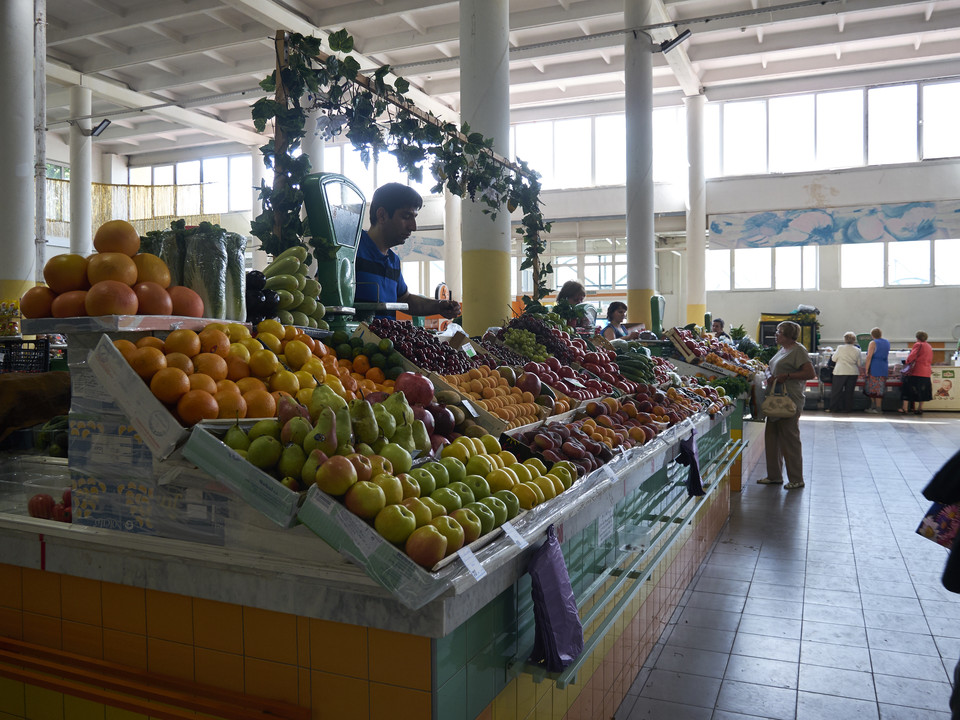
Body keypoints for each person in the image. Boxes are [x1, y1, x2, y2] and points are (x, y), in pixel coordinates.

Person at [354, 183, 460, 320]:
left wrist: (439, 306)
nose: (413, 227)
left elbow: (405, 299)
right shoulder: (350, 251)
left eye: (414, 217)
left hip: (383, 341)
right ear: (382, 215)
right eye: (406, 216)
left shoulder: (393, 261)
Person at [759, 321, 816, 490]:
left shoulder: (798, 350)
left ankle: (796, 478)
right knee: (772, 438)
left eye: (779, 332)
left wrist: (788, 375)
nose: (776, 334)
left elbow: (810, 373)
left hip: (789, 401)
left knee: (790, 440)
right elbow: (770, 367)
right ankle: (774, 476)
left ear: (788, 335)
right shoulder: (782, 350)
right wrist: (769, 373)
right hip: (775, 400)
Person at [900, 330, 934, 416]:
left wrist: (906, 362)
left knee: (907, 389)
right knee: (923, 390)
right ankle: (920, 408)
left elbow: (912, 356)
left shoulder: (918, 344)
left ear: (917, 338)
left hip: (916, 371)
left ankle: (905, 408)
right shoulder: (929, 346)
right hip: (926, 372)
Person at [829, 332, 862, 413]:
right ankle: (847, 408)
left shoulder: (840, 348)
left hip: (840, 371)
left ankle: (834, 408)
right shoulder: (858, 350)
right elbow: (859, 363)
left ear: (845, 339)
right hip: (853, 372)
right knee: (849, 392)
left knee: (836, 391)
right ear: (854, 340)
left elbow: (833, 359)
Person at [863, 327, 889, 413]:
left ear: (872, 335)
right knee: (880, 388)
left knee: (873, 388)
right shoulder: (886, 342)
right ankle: (878, 407)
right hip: (884, 366)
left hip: (875, 367)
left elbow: (869, 357)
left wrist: (866, 369)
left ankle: (875, 408)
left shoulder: (873, 343)